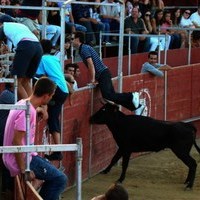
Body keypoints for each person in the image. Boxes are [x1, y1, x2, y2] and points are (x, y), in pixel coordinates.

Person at [2, 77, 68, 200]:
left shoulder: (23, 103)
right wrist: (24, 169)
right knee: (60, 179)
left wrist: (38, 109)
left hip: (21, 156)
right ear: (46, 96)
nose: (51, 98)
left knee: (54, 174)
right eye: (51, 96)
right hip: (20, 159)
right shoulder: (26, 112)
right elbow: (16, 141)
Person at [72, 31, 144, 115]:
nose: (71, 41)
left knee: (107, 95)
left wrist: (92, 79)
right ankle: (137, 107)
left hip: (102, 73)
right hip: (103, 73)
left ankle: (131, 95)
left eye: (72, 39)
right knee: (112, 96)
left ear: (77, 39)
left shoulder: (83, 49)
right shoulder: (84, 48)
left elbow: (90, 64)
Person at [36, 39, 69, 161]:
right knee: (53, 119)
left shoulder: (42, 59)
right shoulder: (54, 58)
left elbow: (38, 75)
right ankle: (57, 150)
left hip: (57, 89)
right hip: (63, 90)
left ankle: (43, 109)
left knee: (37, 83)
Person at [0, 15, 43, 100]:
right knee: (25, 82)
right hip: (38, 47)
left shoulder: (4, 26)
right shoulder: (21, 26)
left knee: (15, 82)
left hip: (26, 45)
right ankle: (34, 107)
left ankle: (28, 109)